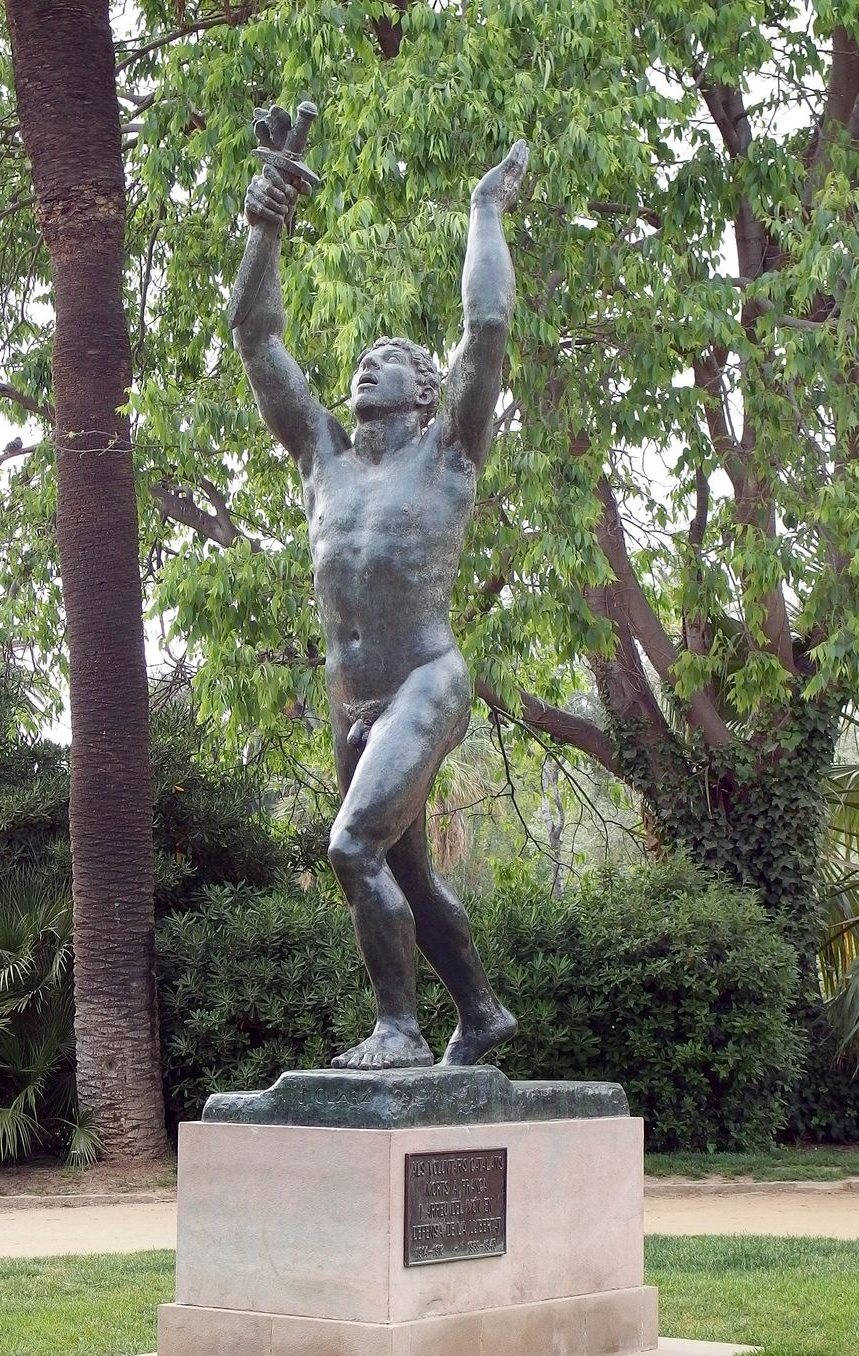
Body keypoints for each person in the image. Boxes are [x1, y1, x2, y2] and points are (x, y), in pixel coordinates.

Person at [232, 130, 528, 1069]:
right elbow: (256, 334)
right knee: (407, 870)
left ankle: (397, 1029)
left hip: (428, 682)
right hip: (349, 698)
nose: (368, 364)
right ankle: (480, 1015)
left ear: (428, 386)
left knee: (351, 846)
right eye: (362, 357)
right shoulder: (321, 458)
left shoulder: (449, 454)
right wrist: (266, 222)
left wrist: (485, 210)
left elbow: (486, 330)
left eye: (391, 356)